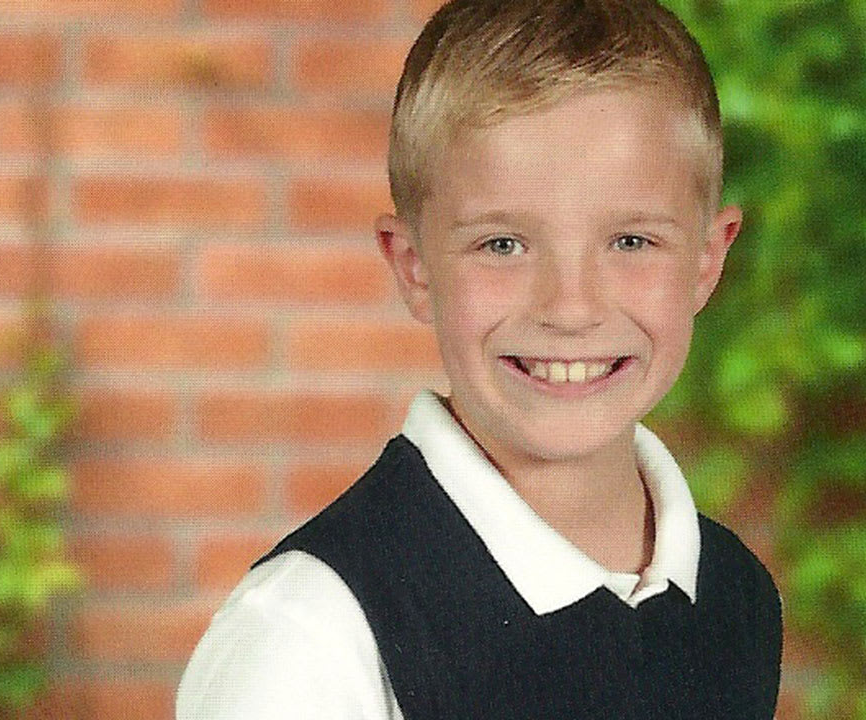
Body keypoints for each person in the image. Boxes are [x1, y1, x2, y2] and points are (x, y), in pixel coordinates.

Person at [176, 0, 783, 717]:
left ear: (707, 261)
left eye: (630, 242)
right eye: (503, 245)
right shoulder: (313, 639)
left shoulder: (736, 598)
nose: (571, 307)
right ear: (414, 268)